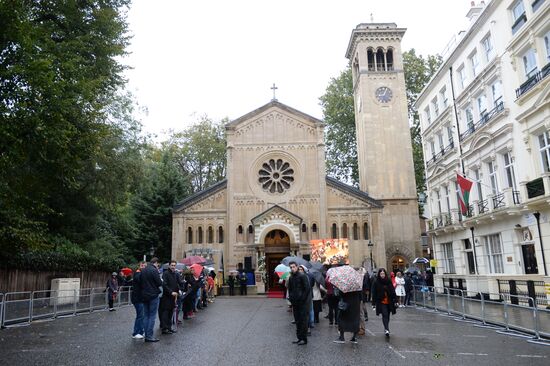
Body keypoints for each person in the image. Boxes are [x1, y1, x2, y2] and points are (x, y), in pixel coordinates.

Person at [333, 271, 362, 344]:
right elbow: (360, 294)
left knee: (341, 319)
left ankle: (342, 337)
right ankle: (354, 337)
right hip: (355, 304)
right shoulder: (357, 283)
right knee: (355, 319)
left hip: (345, 304)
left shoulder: (344, 283)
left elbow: (338, 295)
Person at [288, 261, 311, 345]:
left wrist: (302, 299)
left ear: (297, 267)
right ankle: (299, 337)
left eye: (293, 267)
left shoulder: (302, 276)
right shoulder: (291, 277)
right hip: (295, 302)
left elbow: (307, 289)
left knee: (303, 320)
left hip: (303, 303)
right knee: (297, 320)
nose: (292, 268)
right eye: (291, 267)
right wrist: (291, 298)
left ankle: (304, 339)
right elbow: (290, 289)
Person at [140, 257, 162, 342]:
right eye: (158, 264)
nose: (158, 266)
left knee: (146, 315)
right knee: (152, 316)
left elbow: (140, 282)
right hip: (153, 295)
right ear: (156, 263)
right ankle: (149, 336)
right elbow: (159, 283)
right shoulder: (154, 270)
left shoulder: (143, 270)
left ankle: (146, 335)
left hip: (144, 295)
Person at [371, 268, 398, 337]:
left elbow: (392, 290)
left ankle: (386, 327)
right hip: (381, 301)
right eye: (381, 274)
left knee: (388, 315)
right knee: (384, 314)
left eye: (383, 274)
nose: (382, 275)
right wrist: (373, 303)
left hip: (389, 301)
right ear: (379, 274)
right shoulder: (376, 282)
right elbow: (374, 293)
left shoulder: (388, 281)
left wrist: (396, 300)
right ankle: (386, 329)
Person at [160, 260, 179, 334]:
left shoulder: (175, 274)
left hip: (173, 296)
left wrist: (178, 290)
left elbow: (177, 284)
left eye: (174, 265)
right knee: (165, 312)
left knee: (171, 312)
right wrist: (171, 292)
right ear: (169, 266)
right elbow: (164, 285)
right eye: (172, 265)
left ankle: (169, 327)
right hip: (167, 296)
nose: (173, 267)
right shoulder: (165, 273)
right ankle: (164, 328)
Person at [131, 261, 146, 339]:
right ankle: (136, 332)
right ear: (139, 266)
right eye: (142, 265)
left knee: (142, 316)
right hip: (137, 299)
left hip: (140, 299)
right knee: (140, 316)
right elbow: (139, 280)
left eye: (144, 266)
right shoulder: (137, 274)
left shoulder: (141, 274)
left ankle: (140, 331)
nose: (143, 267)